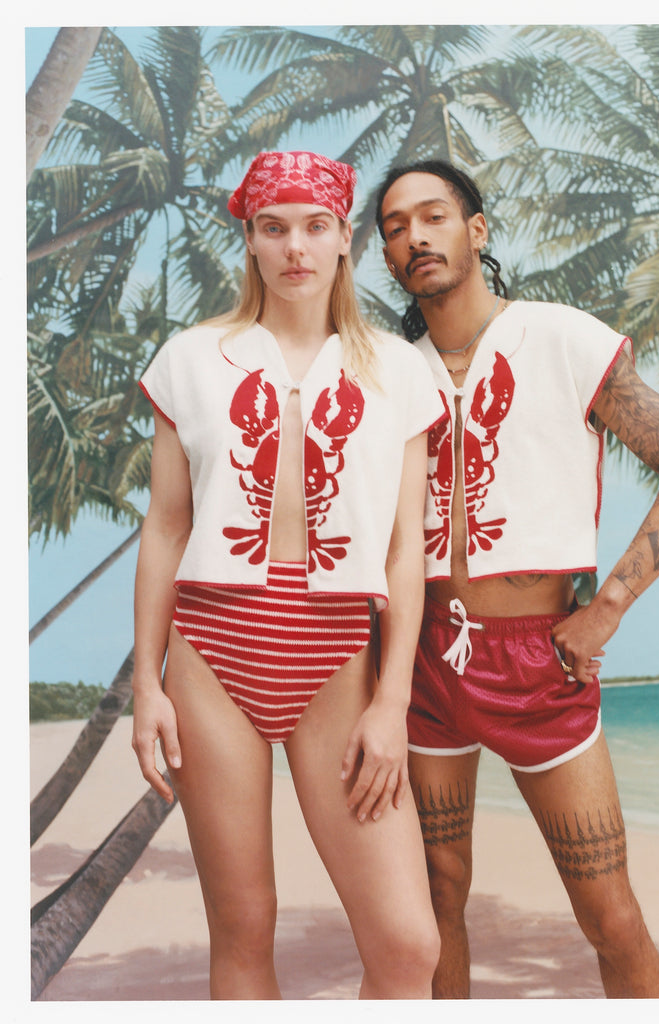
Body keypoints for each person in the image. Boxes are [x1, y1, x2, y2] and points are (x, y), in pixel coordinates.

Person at [375, 159, 659, 999]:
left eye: (433, 216)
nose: (415, 236)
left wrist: (606, 609)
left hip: (541, 659)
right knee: (433, 907)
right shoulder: (387, 368)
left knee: (607, 914)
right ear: (386, 254)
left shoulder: (561, 337)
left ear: (477, 230)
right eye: (393, 227)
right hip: (420, 658)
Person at [131, 150, 444, 1000]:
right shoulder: (191, 357)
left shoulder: (398, 368)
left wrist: (390, 704)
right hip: (211, 657)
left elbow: (403, 551)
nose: (294, 248)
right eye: (274, 229)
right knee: (243, 927)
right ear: (251, 240)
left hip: (339, 664)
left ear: (343, 238)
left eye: (314, 228)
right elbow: (166, 526)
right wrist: (146, 687)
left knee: (407, 947)